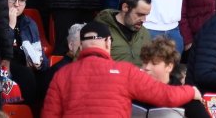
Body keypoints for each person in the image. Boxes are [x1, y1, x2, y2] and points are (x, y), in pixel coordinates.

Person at [42, 20, 200, 118]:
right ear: (108, 43)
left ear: (81, 46)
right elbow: (165, 95)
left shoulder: (61, 75)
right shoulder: (125, 71)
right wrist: (191, 91)